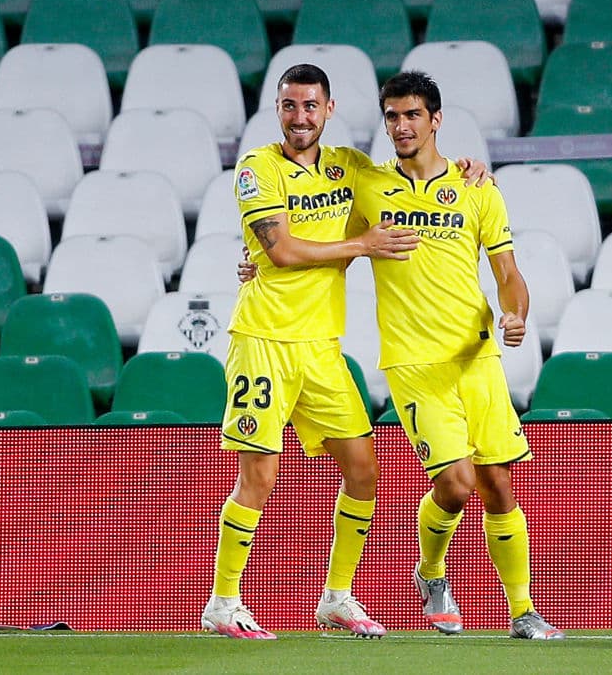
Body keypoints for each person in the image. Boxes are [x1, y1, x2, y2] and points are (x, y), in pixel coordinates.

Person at [202, 63, 488, 640]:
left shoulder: (350, 169)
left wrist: (463, 170)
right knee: (260, 474)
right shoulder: (257, 168)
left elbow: (406, 182)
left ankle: (336, 596)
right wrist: (360, 244)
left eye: (311, 106)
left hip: (321, 348)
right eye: (289, 106)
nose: (300, 117)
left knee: (364, 471)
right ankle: (223, 601)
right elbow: (279, 250)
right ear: (277, 110)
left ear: (328, 111)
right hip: (263, 341)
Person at [347, 70, 564, 640]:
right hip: (414, 364)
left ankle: (522, 611)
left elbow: (508, 273)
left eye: (412, 114)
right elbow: (327, 246)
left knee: (498, 484)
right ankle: (431, 571)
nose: (401, 126)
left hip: (477, 356)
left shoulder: (477, 189)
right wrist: (259, 263)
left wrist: (514, 312)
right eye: (392, 116)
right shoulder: (368, 188)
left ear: (435, 119)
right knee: (460, 483)